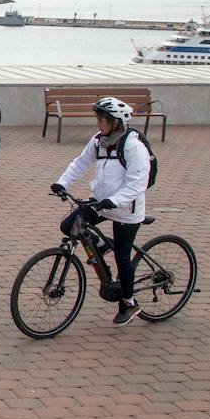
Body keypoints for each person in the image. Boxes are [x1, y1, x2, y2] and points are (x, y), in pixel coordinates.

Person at [50, 97, 152, 326]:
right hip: (102, 203)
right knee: (70, 226)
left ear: (116, 122)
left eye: (103, 119)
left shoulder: (134, 146)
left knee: (122, 258)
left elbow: (138, 184)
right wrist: (62, 183)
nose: (99, 123)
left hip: (126, 209)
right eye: (98, 118)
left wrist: (114, 200)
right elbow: (80, 163)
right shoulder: (99, 141)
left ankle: (129, 302)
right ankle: (101, 246)